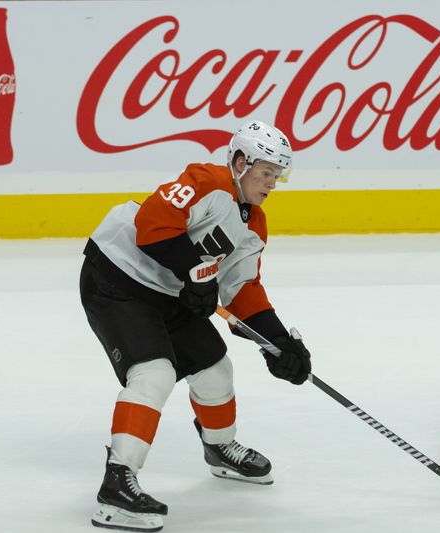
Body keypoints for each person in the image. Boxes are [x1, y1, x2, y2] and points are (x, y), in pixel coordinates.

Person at [79, 120, 312, 532]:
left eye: (278, 176)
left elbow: (241, 290)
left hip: (167, 293)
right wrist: (193, 271)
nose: (272, 184)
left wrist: (278, 343)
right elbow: (153, 222)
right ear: (240, 162)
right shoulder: (206, 180)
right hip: (116, 278)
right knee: (153, 373)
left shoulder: (253, 224)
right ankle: (116, 485)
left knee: (215, 368)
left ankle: (219, 448)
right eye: (266, 172)